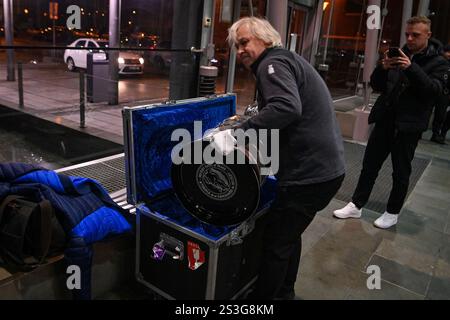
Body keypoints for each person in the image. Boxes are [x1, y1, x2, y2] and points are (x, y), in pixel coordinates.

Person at [226, 17, 345, 300]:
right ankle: (285, 293)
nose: (240, 50)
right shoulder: (285, 60)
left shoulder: (272, 64)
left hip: (310, 175)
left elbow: (287, 108)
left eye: (244, 42)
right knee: (290, 236)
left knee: (276, 243)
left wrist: (239, 133)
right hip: (326, 171)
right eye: (236, 46)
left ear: (266, 39)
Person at [334, 16, 448, 229]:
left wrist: (410, 67)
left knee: (401, 171)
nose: (410, 38)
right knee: (369, 165)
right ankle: (356, 204)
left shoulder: (438, 62)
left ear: (428, 35)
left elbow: (435, 91)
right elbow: (377, 85)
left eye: (416, 35)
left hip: (409, 125)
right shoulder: (399, 54)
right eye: (407, 34)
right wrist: (382, 68)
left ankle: (392, 212)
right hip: (386, 119)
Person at [430, 43, 450, 144]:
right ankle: (434, 133)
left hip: (446, 92)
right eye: (448, 52)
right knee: (435, 112)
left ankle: (439, 133)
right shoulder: (439, 61)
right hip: (438, 90)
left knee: (442, 114)